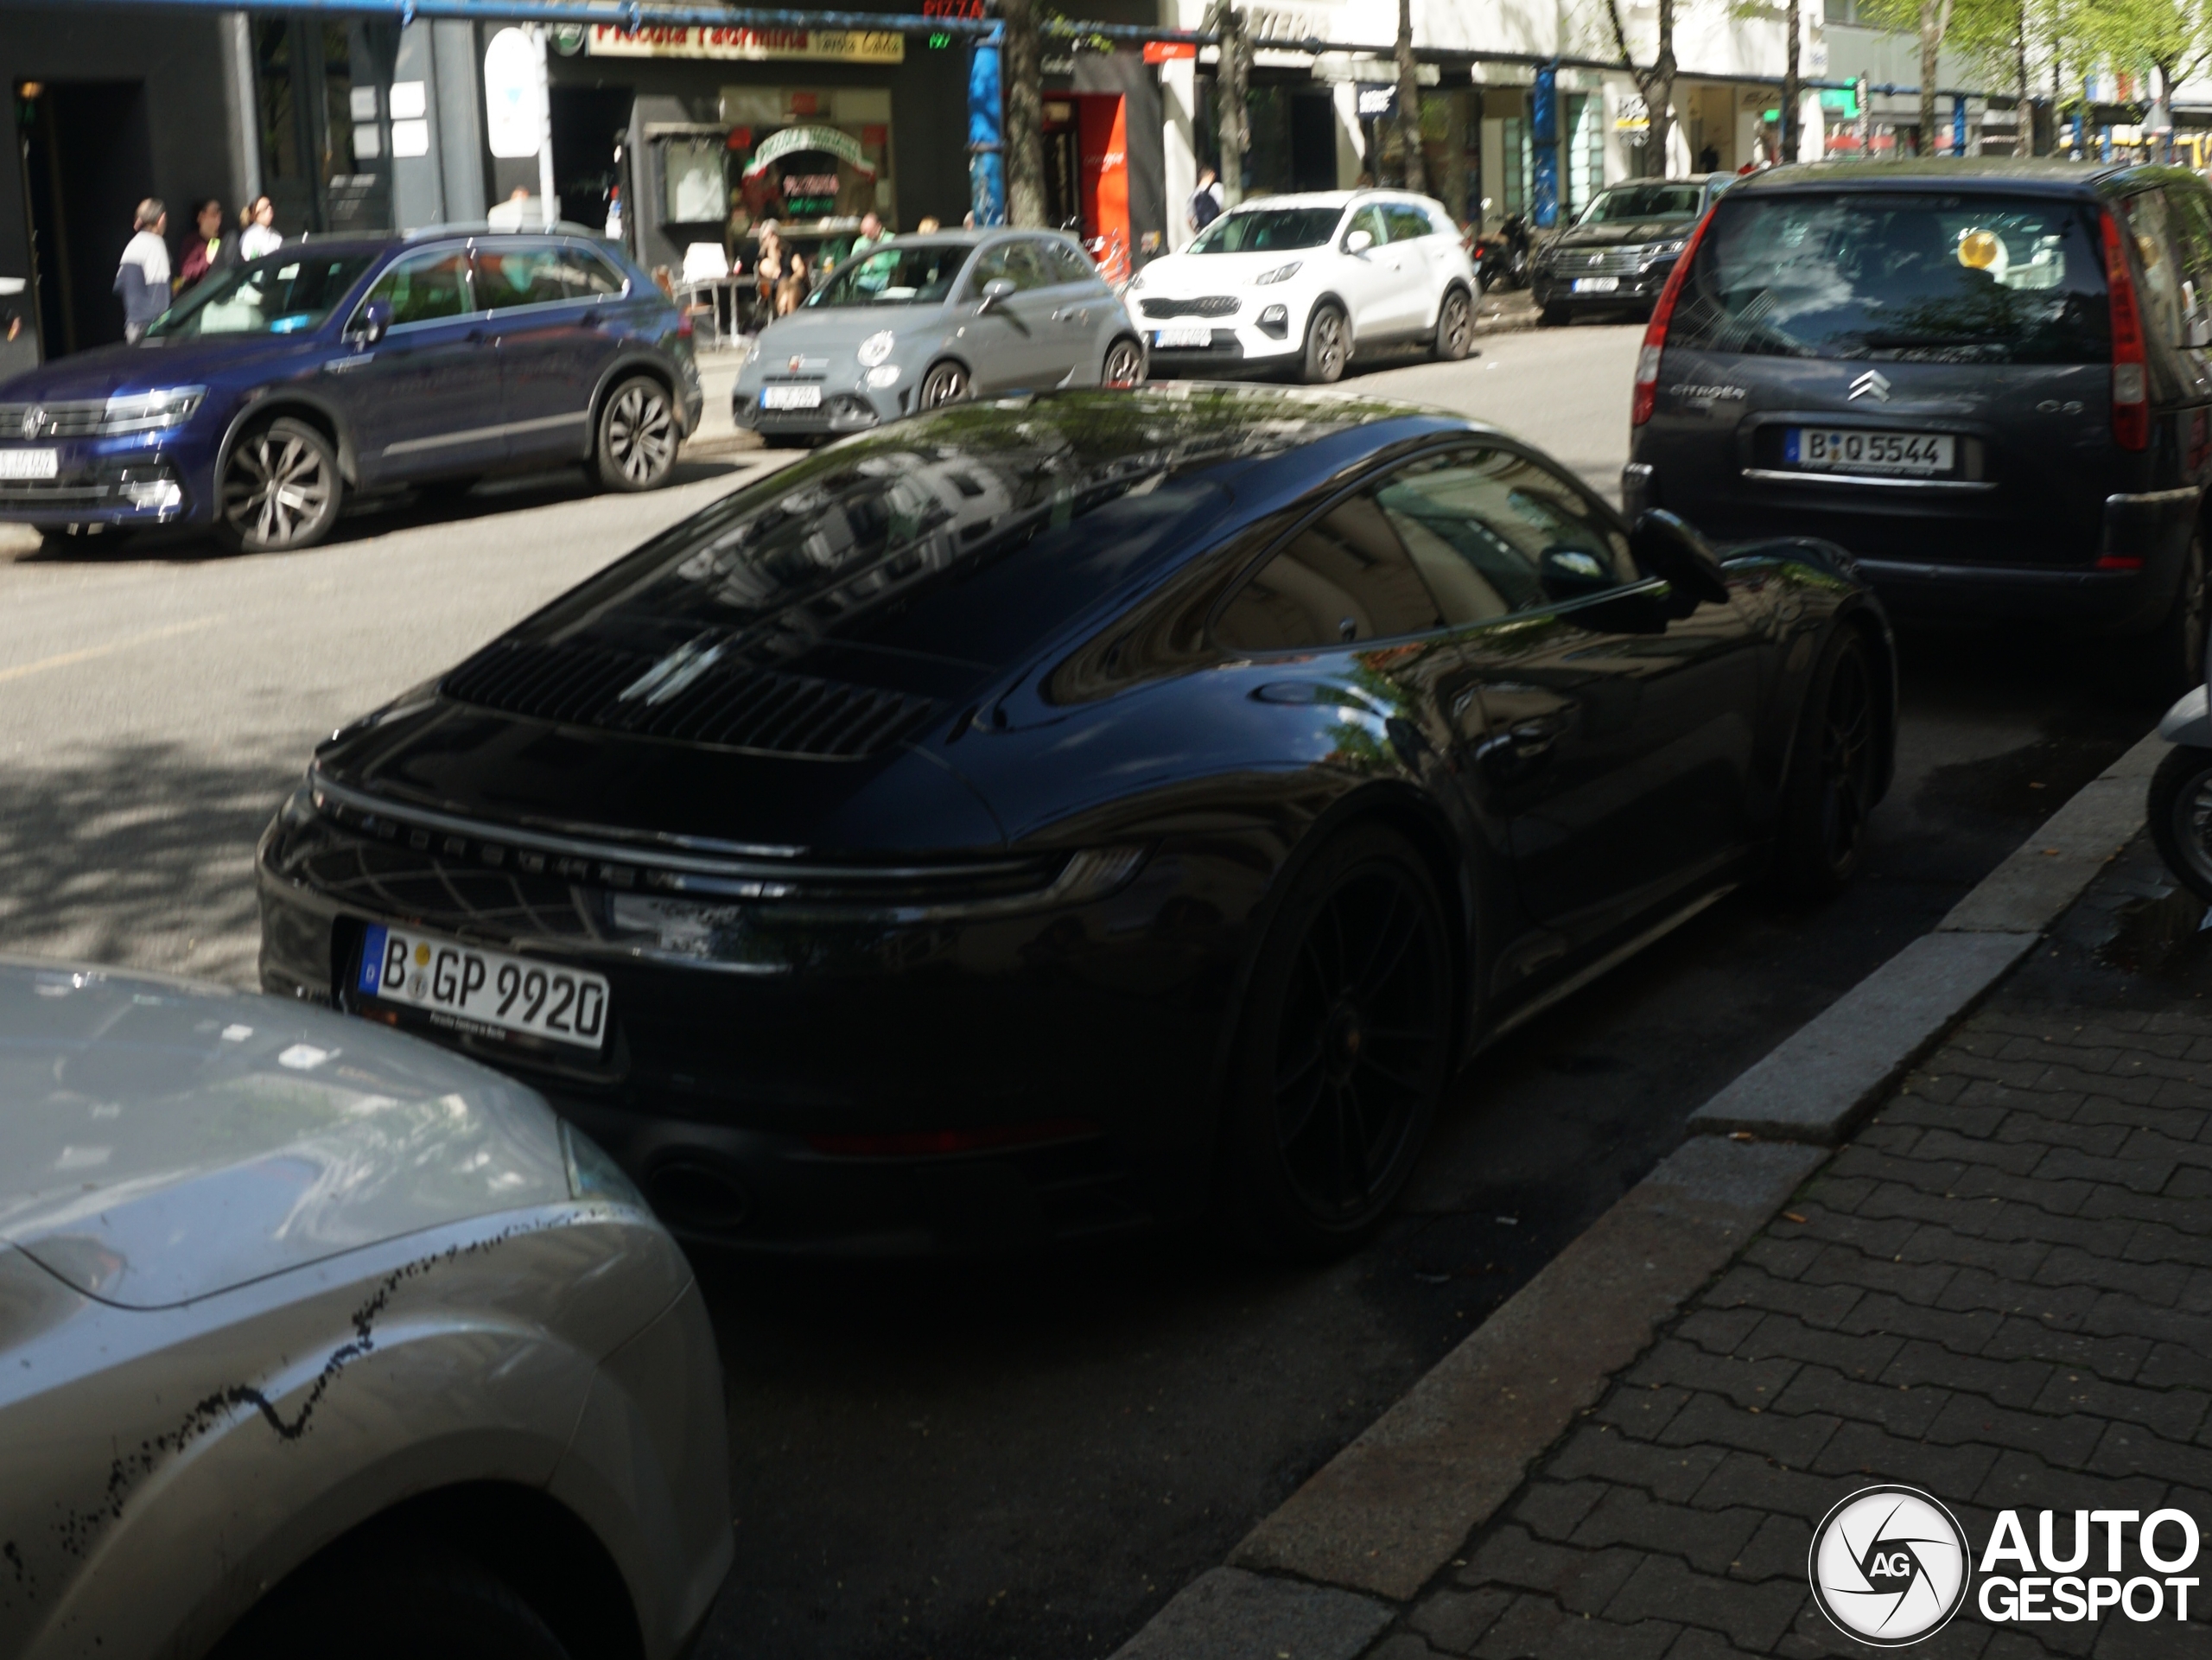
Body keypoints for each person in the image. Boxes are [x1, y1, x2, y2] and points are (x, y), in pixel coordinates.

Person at [114, 199, 170, 343]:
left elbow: (120, 285)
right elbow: (160, 295)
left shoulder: (131, 246)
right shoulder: (156, 244)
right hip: (152, 330)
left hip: (132, 328)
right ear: (161, 219)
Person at [175, 198, 233, 293]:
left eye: (220, 215)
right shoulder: (193, 242)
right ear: (201, 217)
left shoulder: (224, 238)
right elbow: (186, 272)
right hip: (204, 293)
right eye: (214, 214)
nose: (218, 219)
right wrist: (206, 260)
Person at [238, 195, 281, 261]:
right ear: (255, 215)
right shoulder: (249, 236)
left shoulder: (276, 235)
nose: (270, 209)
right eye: (265, 208)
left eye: (270, 205)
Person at [1187, 166, 1224, 233]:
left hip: (1203, 232)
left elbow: (1189, 219)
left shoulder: (1192, 195)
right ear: (1212, 174)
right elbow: (1222, 209)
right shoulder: (1217, 188)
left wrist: (1198, 234)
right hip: (1217, 230)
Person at [776, 250, 810, 315]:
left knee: (792, 293)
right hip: (786, 285)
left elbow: (801, 273)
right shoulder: (784, 280)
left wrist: (786, 294)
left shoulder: (801, 270)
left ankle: (791, 318)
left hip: (800, 287)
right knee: (783, 284)